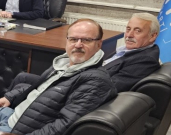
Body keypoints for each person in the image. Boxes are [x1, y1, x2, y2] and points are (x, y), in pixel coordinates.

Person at [9, 13, 161, 93]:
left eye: (137, 31)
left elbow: (111, 87)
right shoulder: (127, 51)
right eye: (128, 29)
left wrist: (74, 77)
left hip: (78, 86)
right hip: (78, 77)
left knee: (23, 78)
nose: (129, 35)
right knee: (23, 78)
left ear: (152, 36)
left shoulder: (145, 60)